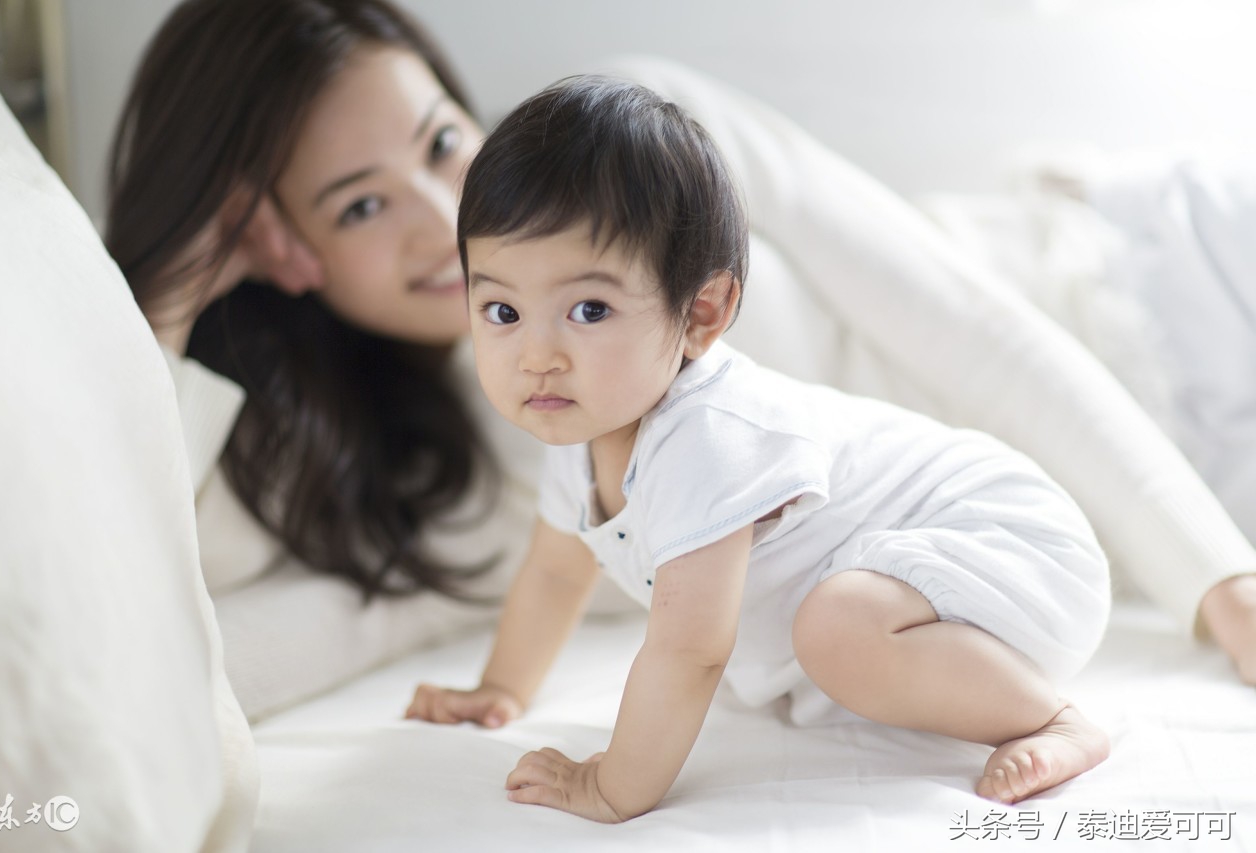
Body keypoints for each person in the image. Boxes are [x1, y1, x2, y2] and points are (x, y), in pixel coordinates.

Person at [106, 0, 1256, 722]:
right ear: (281, 254)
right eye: (358, 206)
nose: (441, 212)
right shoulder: (463, 482)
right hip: (1071, 540)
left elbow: (982, 333)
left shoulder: (657, 142)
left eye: (442, 142)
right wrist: (164, 300)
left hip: (1143, 296)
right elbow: (173, 623)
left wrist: (1216, 577)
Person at [404, 75, 1113, 818]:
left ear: (702, 312)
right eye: (503, 309)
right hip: (943, 581)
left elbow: (690, 647)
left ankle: (1055, 720)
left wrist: (611, 784)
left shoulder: (706, 436)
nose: (536, 354)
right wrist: (500, 689)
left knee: (840, 631)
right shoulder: (579, 418)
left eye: (588, 309)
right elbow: (554, 571)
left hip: (1011, 545)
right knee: (839, 635)